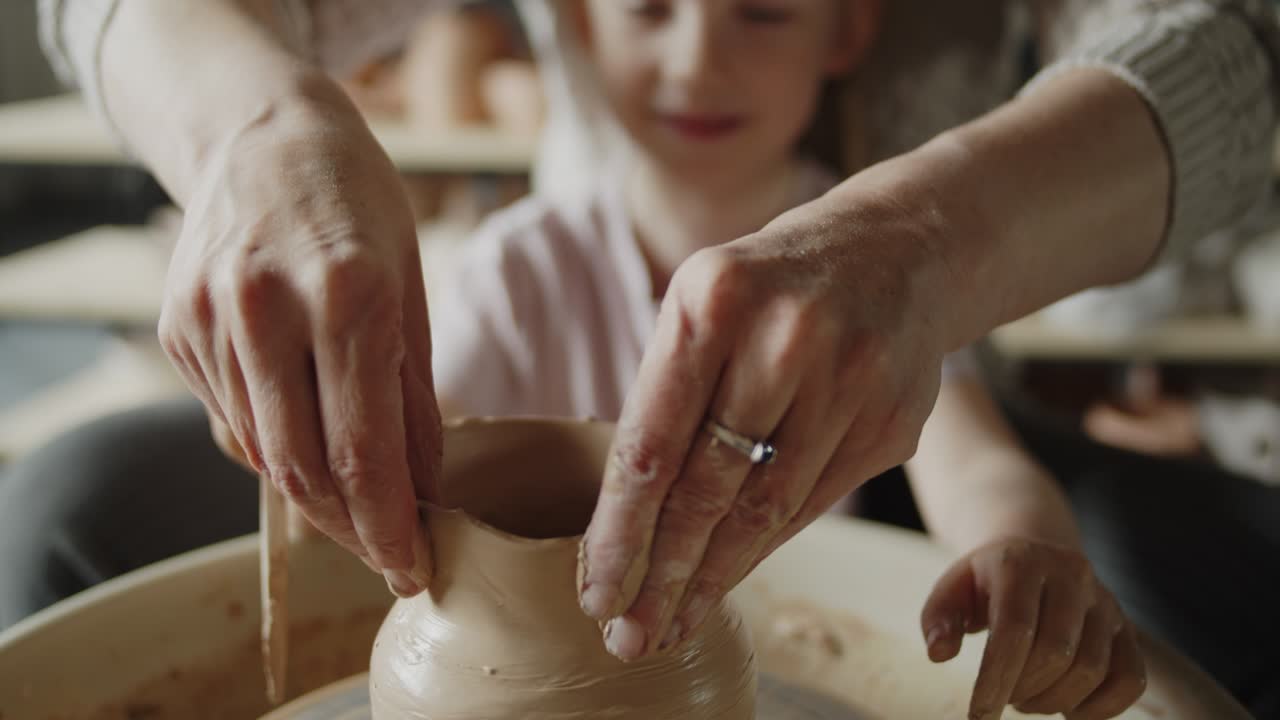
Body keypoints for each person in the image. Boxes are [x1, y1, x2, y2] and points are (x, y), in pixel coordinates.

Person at [18, 0, 1278, 710]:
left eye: (760, 14)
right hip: (491, 671)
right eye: (650, 9)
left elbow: (971, 456)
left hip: (753, 646)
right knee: (69, 504)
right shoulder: (524, 268)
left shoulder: (856, 303)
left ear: (843, 34)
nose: (695, 57)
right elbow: (406, 460)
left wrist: (1027, 551)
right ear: (576, 20)